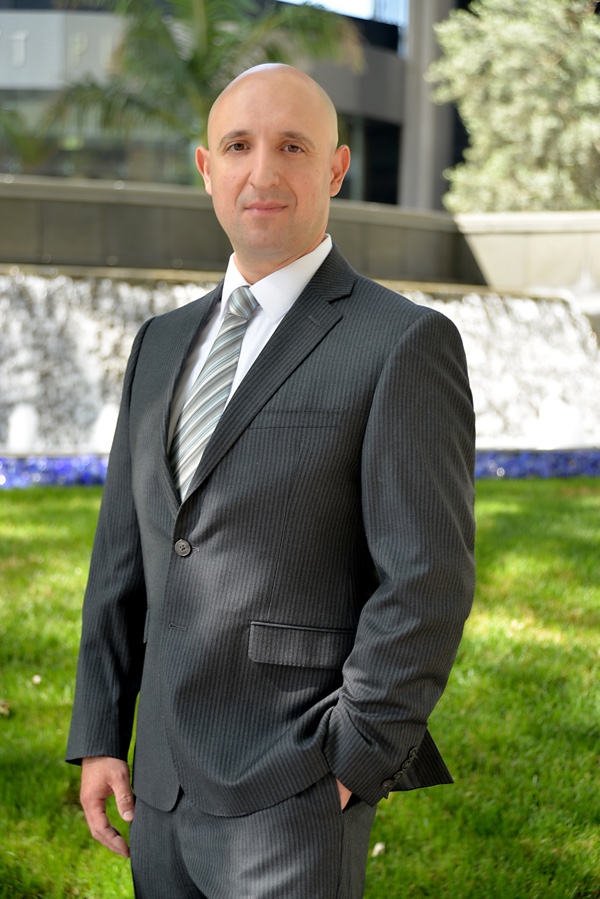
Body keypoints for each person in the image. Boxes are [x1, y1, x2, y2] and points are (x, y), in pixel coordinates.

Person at [67, 64, 476, 899]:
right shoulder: (160, 342)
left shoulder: (401, 343)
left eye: (292, 146)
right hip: (162, 785)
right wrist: (103, 732)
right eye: (238, 146)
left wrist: (352, 760)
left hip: (294, 788)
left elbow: (426, 580)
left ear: (335, 167)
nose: (263, 171)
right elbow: (125, 555)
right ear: (204, 168)